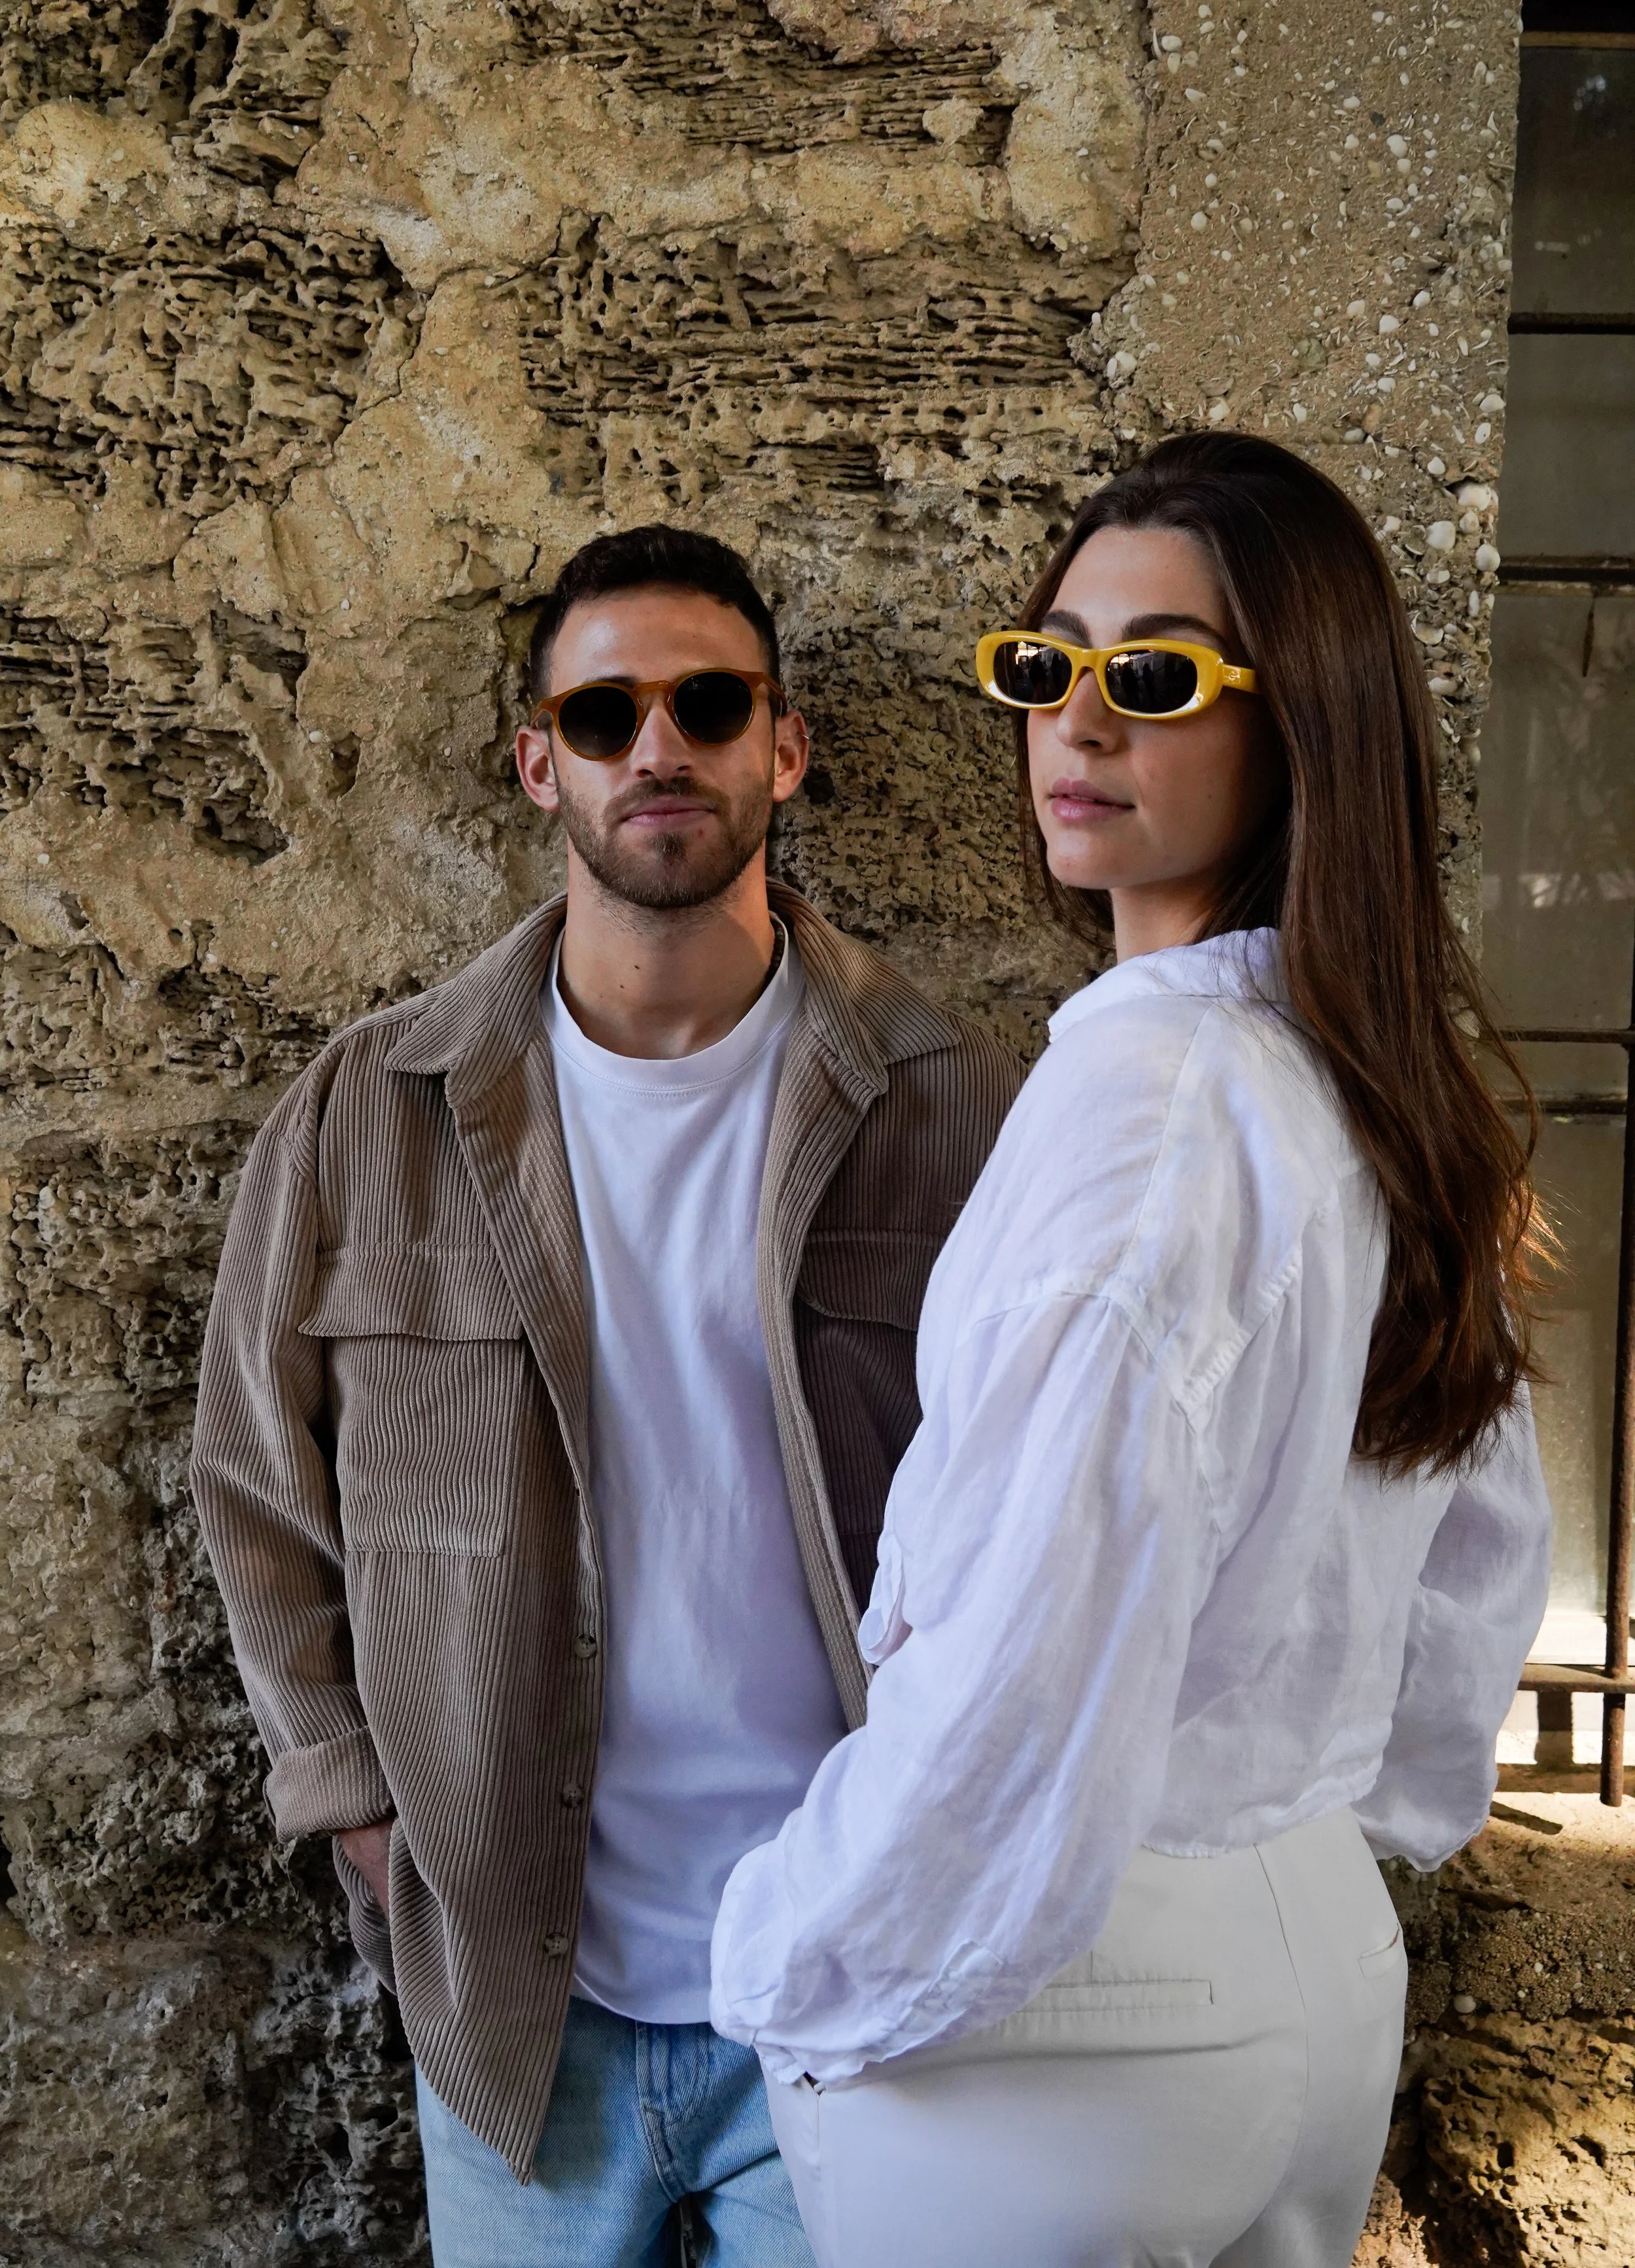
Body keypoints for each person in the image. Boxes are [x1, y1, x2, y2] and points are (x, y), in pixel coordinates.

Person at [710, 434, 1553, 2268]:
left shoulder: (1146, 1100)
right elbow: (1482, 1554)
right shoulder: (1378, 1091)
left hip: (1068, 1994)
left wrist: (795, 1944)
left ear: (1300, 722)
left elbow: (1026, 1636)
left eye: (1156, 676)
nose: (1075, 722)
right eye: (1047, 664)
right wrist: (1340, 1807)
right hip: (1313, 1952)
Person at [190, 525, 1018, 2268]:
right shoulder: (375, 1109)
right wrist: (359, 1807)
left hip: (852, 1980)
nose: (658, 747)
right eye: (603, 712)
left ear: (782, 745)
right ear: (537, 763)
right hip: (521, 1994)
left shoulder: (948, 1103)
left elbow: (1048, 1496)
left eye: (708, 704)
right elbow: (256, 1479)